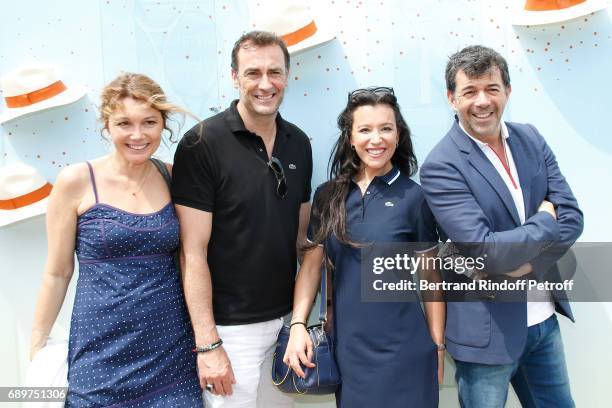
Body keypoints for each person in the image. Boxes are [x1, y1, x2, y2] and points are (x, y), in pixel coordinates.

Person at [420, 45, 584, 407]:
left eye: (491, 88)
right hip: (486, 336)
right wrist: (544, 219)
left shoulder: (531, 139)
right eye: (469, 91)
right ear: (451, 98)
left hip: (544, 323)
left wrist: (530, 264)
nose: (482, 101)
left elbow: (572, 216)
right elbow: (486, 251)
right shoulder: (441, 166)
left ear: (507, 91)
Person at [30, 73, 203, 406]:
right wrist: (37, 346)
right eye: (124, 123)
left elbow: (192, 257)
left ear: (163, 124)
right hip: (99, 357)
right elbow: (57, 272)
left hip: (170, 355)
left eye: (149, 122)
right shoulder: (76, 181)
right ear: (106, 125)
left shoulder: (172, 175)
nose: (137, 135)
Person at [171, 31, 312, 407]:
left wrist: (302, 320)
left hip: (285, 325)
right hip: (230, 333)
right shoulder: (201, 143)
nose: (265, 84)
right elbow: (192, 252)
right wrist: (208, 343)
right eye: (253, 73)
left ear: (288, 74)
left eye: (274, 72)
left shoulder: (299, 142)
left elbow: (303, 240)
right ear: (234, 76)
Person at [284, 87, 445, 408]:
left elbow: (431, 279)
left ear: (398, 135)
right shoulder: (327, 195)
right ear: (350, 138)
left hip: (407, 351)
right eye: (365, 130)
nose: (377, 139)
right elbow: (311, 266)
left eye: (386, 128)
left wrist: (437, 347)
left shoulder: (416, 197)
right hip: (349, 352)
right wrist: (297, 325)